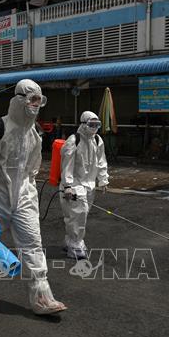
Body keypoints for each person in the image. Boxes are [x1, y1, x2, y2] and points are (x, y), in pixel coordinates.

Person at [0, 79, 67, 315]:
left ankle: (42, 296)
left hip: (24, 198)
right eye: (32, 100)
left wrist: (28, 193)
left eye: (39, 101)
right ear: (20, 99)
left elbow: (32, 169)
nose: (36, 105)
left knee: (33, 244)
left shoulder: (33, 134)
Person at [59, 111, 109, 260]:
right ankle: (75, 243)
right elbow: (66, 164)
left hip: (90, 184)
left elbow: (101, 161)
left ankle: (69, 240)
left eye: (96, 125)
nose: (94, 127)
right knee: (78, 214)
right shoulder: (74, 140)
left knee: (82, 215)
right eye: (91, 124)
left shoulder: (98, 140)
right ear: (83, 124)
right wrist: (67, 185)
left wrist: (103, 180)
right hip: (75, 184)